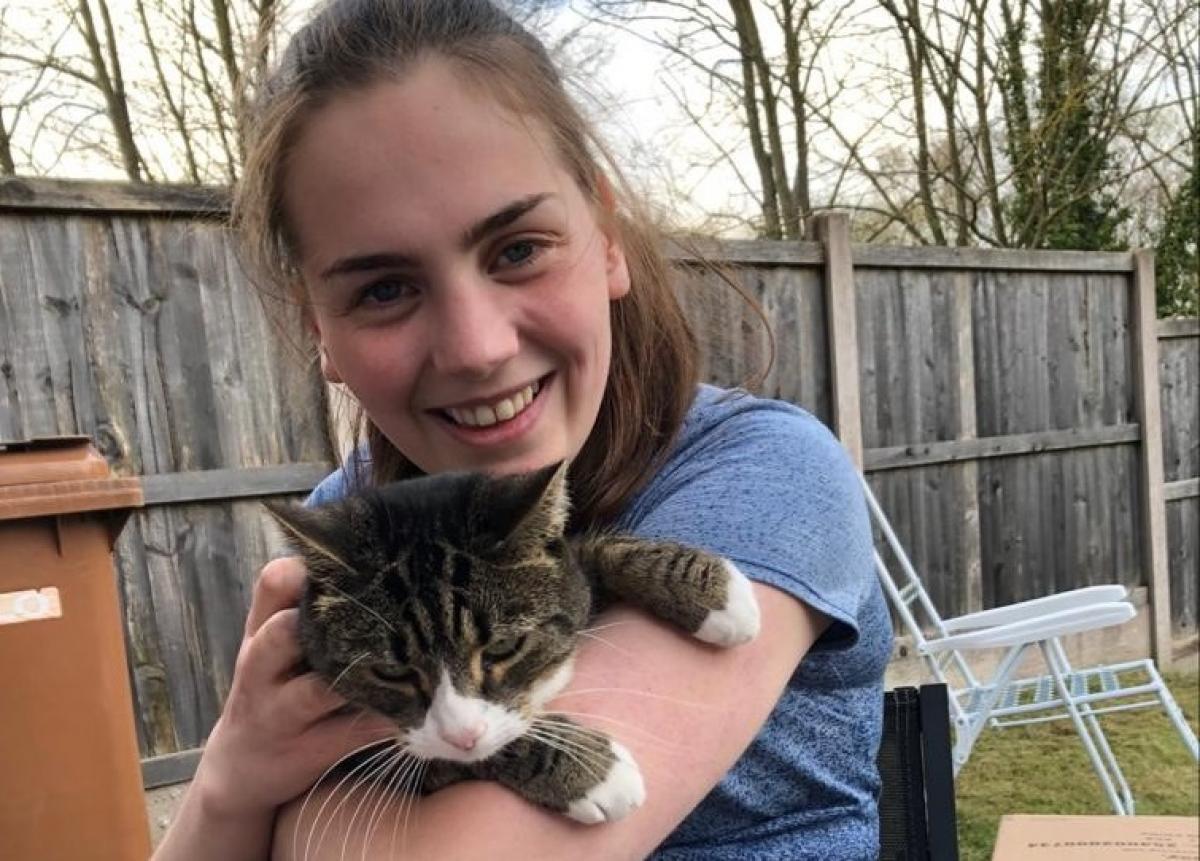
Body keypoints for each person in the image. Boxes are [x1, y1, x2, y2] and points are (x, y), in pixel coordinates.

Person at [153, 0, 892, 858]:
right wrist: (230, 779)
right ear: (320, 326)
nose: (476, 348)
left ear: (606, 235)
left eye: (516, 249)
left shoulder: (762, 476)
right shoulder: (346, 522)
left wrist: (281, 819)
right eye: (384, 288)